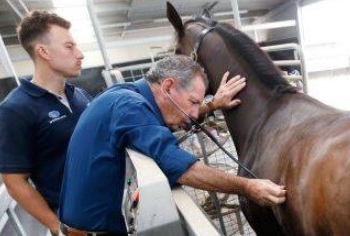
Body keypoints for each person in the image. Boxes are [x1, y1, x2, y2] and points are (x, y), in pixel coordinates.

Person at [58, 55, 286, 234]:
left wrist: (212, 105)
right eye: (193, 102)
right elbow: (182, 168)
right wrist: (247, 187)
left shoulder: (123, 95)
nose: (196, 112)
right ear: (168, 87)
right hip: (94, 231)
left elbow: (151, 125)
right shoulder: (130, 107)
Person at [0, 10, 91, 234]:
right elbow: (14, 182)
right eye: (69, 46)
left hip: (115, 204)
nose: (80, 54)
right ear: (43, 51)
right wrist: (59, 227)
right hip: (78, 222)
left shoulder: (80, 95)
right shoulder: (13, 111)